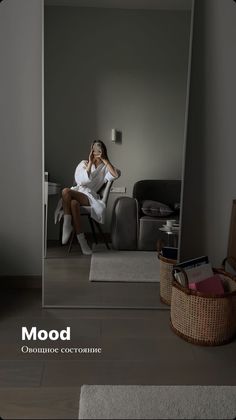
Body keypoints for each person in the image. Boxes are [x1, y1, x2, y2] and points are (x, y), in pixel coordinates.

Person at [61, 140, 120, 255]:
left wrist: (105, 159)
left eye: (99, 149)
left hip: (90, 196)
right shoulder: (83, 163)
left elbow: (115, 174)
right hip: (78, 191)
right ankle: (83, 242)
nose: (96, 151)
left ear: (103, 150)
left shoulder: (104, 167)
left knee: (65, 191)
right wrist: (89, 163)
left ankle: (67, 224)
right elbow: (80, 181)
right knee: (73, 203)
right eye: (94, 149)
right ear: (91, 150)